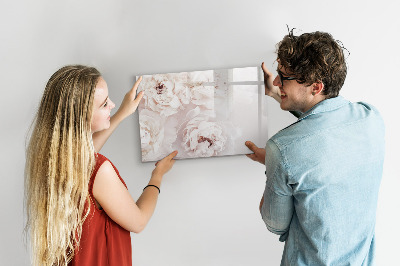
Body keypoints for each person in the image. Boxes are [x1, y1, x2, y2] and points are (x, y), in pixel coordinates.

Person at [245, 30, 385, 265]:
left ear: (316, 87)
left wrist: (273, 163)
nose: (277, 81)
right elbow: (325, 124)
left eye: (284, 77)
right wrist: (278, 94)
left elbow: (275, 224)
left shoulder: (282, 149)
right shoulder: (371, 118)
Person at [24, 65, 177, 266]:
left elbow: (86, 156)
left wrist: (122, 113)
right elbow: (138, 221)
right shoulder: (99, 170)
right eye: (105, 104)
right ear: (81, 117)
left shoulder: (53, 159)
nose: (112, 104)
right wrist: (157, 176)